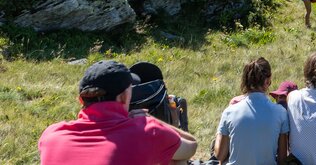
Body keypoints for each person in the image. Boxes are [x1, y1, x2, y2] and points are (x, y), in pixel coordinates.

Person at [38, 60, 197, 165]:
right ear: (124, 97)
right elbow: (191, 147)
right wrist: (154, 121)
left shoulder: (52, 134)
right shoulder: (146, 130)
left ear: (81, 100)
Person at [215, 57, 289, 165]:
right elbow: (282, 158)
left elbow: (219, 155)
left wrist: (218, 134)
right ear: (267, 81)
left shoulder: (229, 112)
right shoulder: (281, 113)